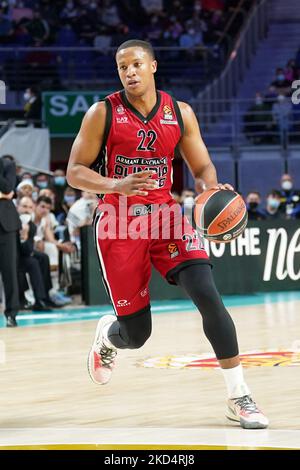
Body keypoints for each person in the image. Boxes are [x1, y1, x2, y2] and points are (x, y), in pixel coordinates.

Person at [67, 39, 268, 429]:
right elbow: (75, 171)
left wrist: (212, 190)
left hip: (165, 216)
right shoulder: (101, 113)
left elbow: (203, 166)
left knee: (209, 296)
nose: (130, 72)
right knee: (137, 333)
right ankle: (109, 336)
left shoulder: (181, 113)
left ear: (153, 66)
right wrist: (115, 184)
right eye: (122, 66)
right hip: (118, 223)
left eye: (137, 64)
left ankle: (238, 395)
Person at [0, 155, 22, 327]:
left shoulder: (7, 164)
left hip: (6, 224)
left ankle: (12, 314)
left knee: (9, 271)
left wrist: (6, 194)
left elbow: (8, 189)